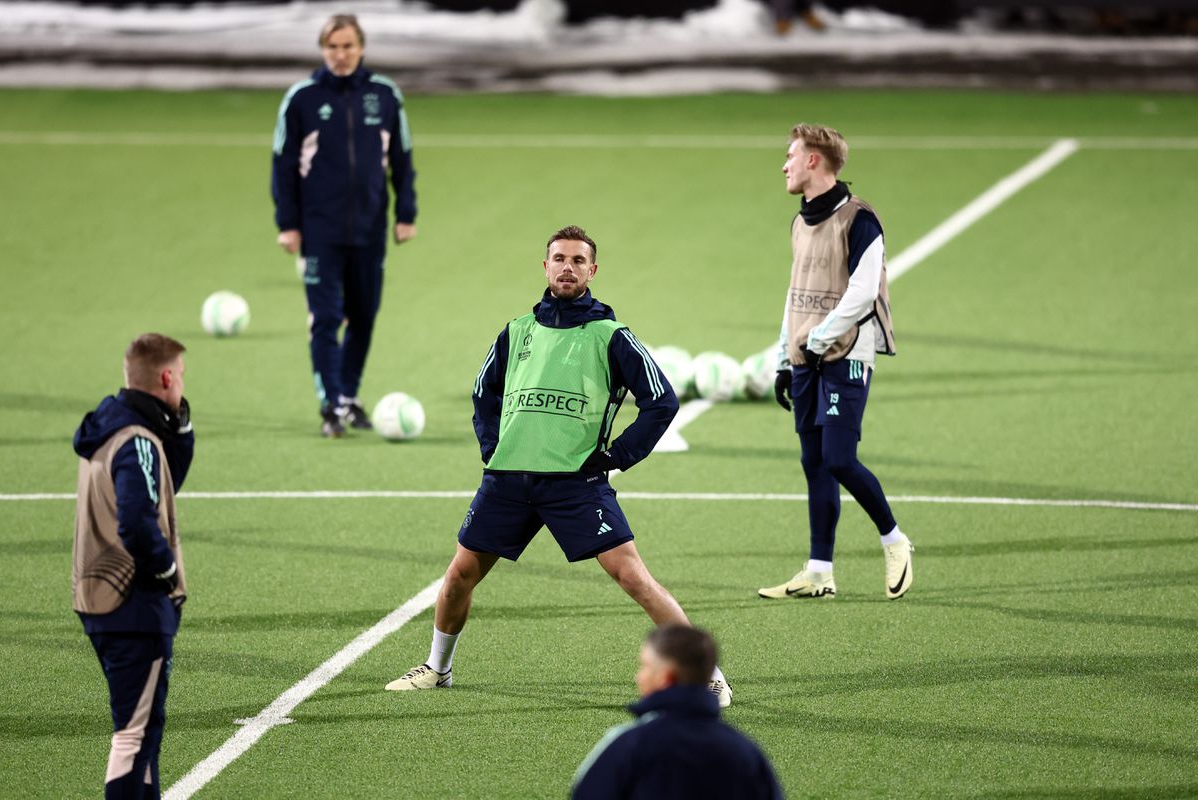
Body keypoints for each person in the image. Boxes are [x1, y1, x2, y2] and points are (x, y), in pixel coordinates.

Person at [384, 225, 732, 707]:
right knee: (459, 575)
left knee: (633, 577)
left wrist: (617, 456)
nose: (567, 267)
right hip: (507, 479)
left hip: (575, 485)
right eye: (558, 259)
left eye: (577, 260)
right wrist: (492, 447)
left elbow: (661, 401)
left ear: (592, 270)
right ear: (545, 266)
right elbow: (483, 393)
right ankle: (437, 668)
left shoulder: (612, 336)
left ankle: (708, 674)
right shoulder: (516, 331)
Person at [758, 123, 914, 602]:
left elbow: (864, 292)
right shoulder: (799, 221)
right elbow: (795, 290)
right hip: (807, 354)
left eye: (790, 155)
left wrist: (821, 336)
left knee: (839, 458)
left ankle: (895, 540)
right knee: (813, 462)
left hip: (846, 351)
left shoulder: (860, 219)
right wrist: (788, 352)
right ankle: (819, 571)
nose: (783, 165)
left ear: (813, 161)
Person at [271, 13, 418, 437]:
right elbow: (283, 165)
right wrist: (289, 224)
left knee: (364, 316)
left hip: (370, 229)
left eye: (348, 46)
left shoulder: (384, 95)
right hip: (320, 231)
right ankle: (330, 402)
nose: (341, 54)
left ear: (361, 48)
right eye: (333, 46)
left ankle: (349, 395)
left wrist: (405, 213)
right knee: (325, 317)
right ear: (323, 49)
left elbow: (403, 159)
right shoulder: (301, 98)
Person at [72, 333, 194, 799]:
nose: (182, 382)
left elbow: (165, 484)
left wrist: (180, 427)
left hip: (100, 598)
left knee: (141, 733)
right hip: (133, 602)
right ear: (166, 377)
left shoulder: (109, 426)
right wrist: (164, 571)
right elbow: (139, 519)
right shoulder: (137, 441)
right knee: (134, 737)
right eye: (180, 375)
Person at [571, 625, 783, 800]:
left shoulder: (629, 743)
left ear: (667, 678)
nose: (638, 677)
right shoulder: (745, 750)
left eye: (644, 667)